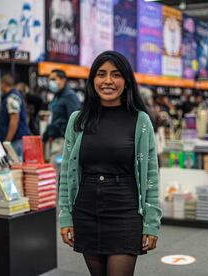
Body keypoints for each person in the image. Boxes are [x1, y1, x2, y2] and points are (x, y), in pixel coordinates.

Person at [59, 51, 161, 276]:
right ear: (92, 80)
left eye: (116, 75)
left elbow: (151, 176)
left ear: (126, 82)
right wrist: (66, 216)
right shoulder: (78, 120)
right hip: (86, 210)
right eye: (101, 74)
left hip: (125, 210)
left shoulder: (140, 121)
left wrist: (152, 222)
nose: (107, 81)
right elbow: (66, 173)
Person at [42, 69, 81, 164]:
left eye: (53, 79)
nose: (50, 82)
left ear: (63, 80)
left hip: (63, 141)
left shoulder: (70, 96)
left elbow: (75, 121)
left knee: (57, 172)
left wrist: (63, 133)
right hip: (55, 140)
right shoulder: (57, 96)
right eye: (50, 79)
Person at [0, 74, 30, 159]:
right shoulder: (11, 96)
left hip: (15, 140)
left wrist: (7, 141)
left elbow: (14, 120)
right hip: (14, 140)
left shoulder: (12, 98)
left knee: (14, 168)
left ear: (3, 84)